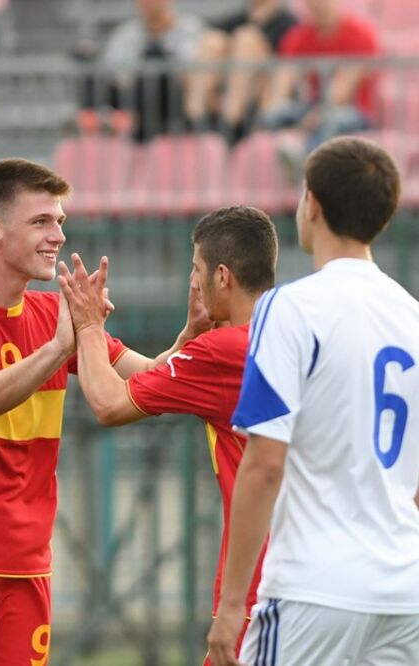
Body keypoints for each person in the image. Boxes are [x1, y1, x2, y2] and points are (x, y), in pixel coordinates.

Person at [0, 158, 205, 664]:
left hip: (26, 565)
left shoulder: (51, 315)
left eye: (59, 221)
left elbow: (144, 376)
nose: (57, 235)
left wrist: (189, 339)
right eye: (40, 222)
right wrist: (59, 349)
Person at [206, 137, 419, 665]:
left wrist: (232, 607)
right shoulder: (412, 316)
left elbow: (264, 464)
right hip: (404, 591)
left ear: (313, 205)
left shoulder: (290, 308)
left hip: (314, 588)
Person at [57, 205, 279, 665]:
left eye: (196, 269)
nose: (192, 282)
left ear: (222, 276)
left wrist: (89, 326)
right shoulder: (292, 332)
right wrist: (187, 341)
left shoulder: (224, 350)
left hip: (263, 583)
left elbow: (109, 403)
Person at [259, 0, 379, 156]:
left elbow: (341, 91)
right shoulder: (300, 36)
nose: (318, 6)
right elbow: (285, 77)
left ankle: (309, 160)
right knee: (274, 116)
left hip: (354, 111)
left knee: (330, 121)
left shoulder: (360, 34)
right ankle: (288, 151)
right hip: (314, 107)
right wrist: (275, 107)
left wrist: (314, 118)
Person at [78, 0, 204, 141]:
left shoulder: (191, 28)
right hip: (133, 96)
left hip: (174, 100)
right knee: (85, 58)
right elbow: (114, 72)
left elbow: (190, 72)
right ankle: (97, 121)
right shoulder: (127, 33)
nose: (147, 3)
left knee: (156, 60)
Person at [184, 0, 298, 143]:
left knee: (246, 39)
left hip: (264, 96)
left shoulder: (287, 22)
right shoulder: (239, 18)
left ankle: (230, 124)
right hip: (226, 93)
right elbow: (210, 32)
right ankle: (196, 117)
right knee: (213, 40)